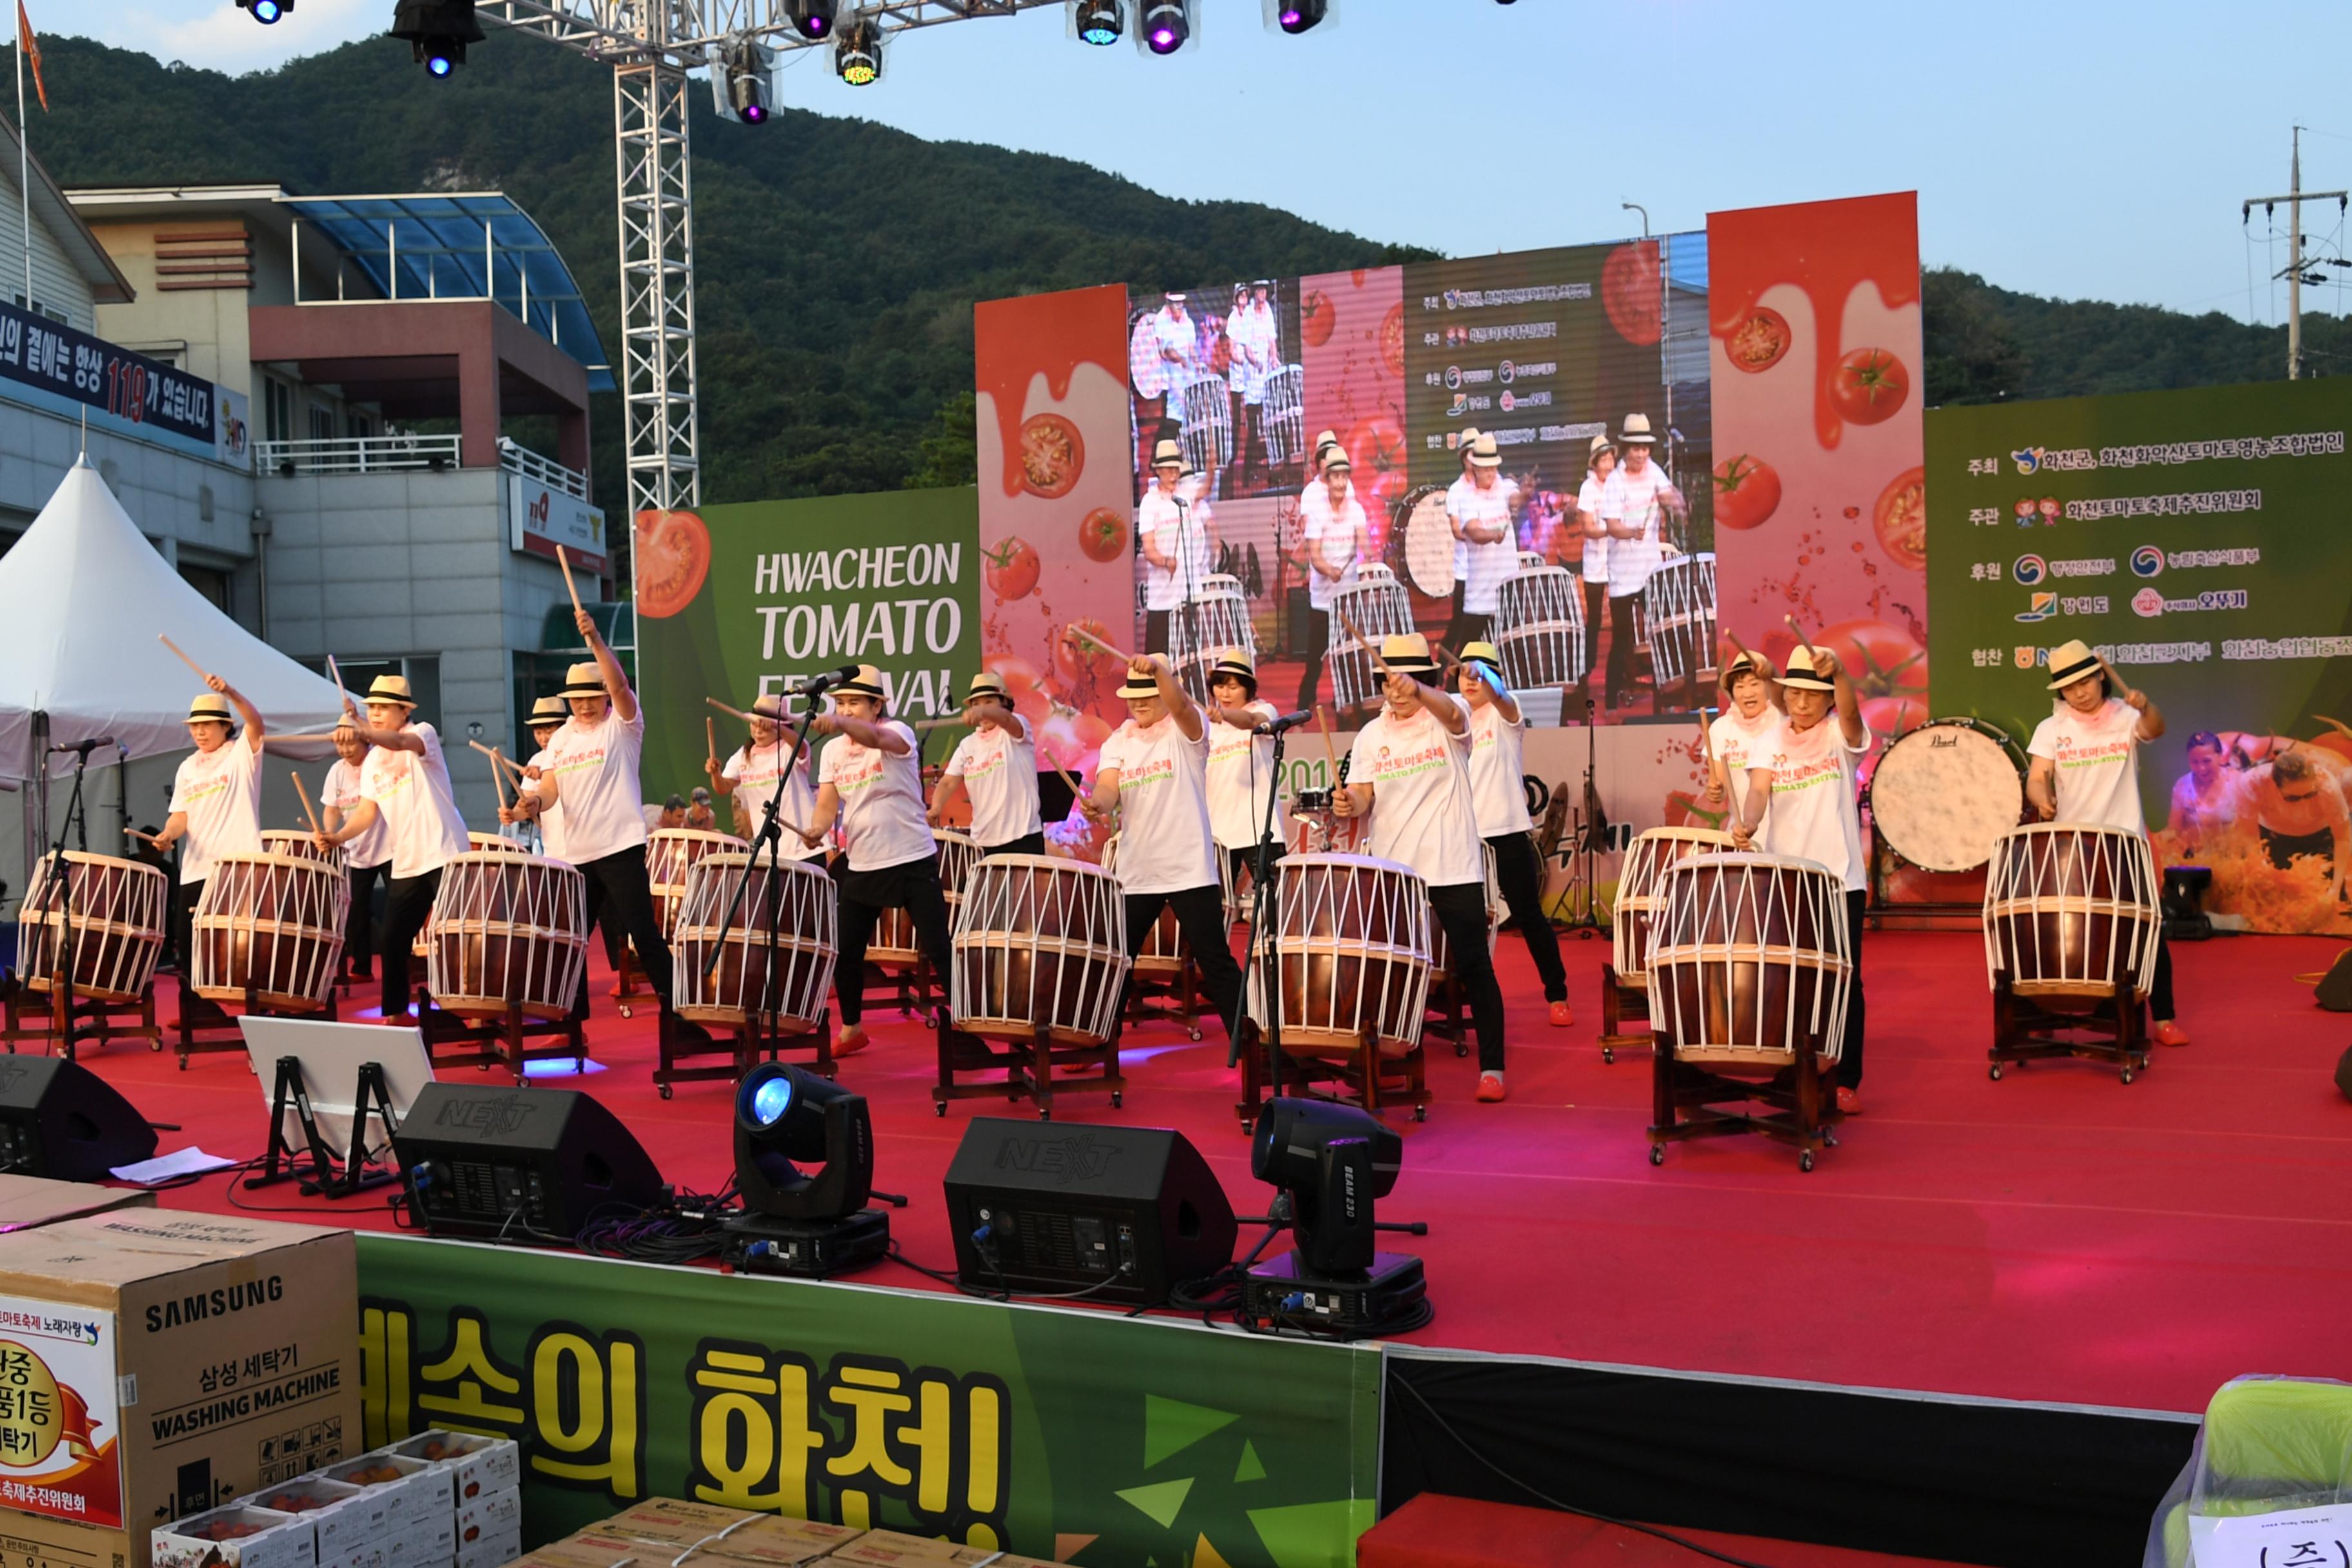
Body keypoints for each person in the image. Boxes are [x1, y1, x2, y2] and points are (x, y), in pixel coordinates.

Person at [1331, 634, 1511, 1101]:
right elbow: (1365, 795)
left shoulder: (1448, 711)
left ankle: (1493, 1066)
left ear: (1424, 679)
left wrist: (1417, 689)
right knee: (1386, 967)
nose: (1393, 691)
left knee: (1473, 962)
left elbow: (1453, 715)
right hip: (1395, 869)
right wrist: (1350, 803)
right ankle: (1381, 1055)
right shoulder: (1372, 734)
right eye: (1387, 681)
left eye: (1402, 680)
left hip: (1452, 862)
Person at [504, 613, 684, 1029]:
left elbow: (620, 685)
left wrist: (596, 640)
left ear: (604, 695)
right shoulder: (562, 736)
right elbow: (549, 790)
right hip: (577, 854)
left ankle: (679, 1015)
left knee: (644, 935)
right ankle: (569, 1026)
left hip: (620, 848)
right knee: (570, 943)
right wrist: (531, 806)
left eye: (591, 696)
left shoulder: (623, 727)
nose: (584, 705)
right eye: (576, 698)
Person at [2022, 639, 2188, 1045]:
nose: (2079, 692)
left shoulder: (2125, 715)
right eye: (2068, 687)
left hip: (2125, 840)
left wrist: (2145, 707)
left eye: (2085, 681)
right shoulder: (2052, 728)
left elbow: (2156, 728)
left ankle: (2163, 1018)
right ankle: (2058, 1010)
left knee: (2148, 930)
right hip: (2072, 847)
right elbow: (2036, 779)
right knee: (2074, 931)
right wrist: (2043, 801)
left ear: (2100, 676)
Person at [1729, 645, 1872, 1112]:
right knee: (1791, 976)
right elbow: (1758, 792)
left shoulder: (1838, 735)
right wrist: (1747, 824)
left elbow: (1851, 711)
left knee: (1846, 979)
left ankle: (1847, 1075)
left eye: (1814, 694)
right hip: (1788, 879)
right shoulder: (1770, 739)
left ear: (1828, 698)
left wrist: (1843, 676)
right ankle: (1796, 1063)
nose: (1802, 703)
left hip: (1839, 879)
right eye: (1795, 693)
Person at [1083, 654, 1249, 1050]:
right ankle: (1101, 1042)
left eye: (1149, 695)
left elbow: (1180, 705)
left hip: (1188, 866)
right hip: (1138, 868)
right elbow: (1109, 787)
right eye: (1133, 697)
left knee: (1216, 961)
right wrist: (1099, 804)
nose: (1139, 704)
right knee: (1119, 960)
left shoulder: (1186, 727)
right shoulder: (1119, 739)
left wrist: (1161, 673)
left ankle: (1249, 1044)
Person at [798, 665, 953, 1057]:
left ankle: (969, 1019)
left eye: (854, 703)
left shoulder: (896, 732)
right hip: (863, 861)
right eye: (841, 703)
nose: (846, 709)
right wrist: (817, 829)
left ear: (876, 705)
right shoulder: (833, 751)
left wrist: (839, 722)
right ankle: (852, 1028)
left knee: (938, 947)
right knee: (846, 951)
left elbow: (875, 736)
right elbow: (827, 806)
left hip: (910, 856)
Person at [314, 674, 469, 1021]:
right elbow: (367, 813)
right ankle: (397, 1012)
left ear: (404, 711)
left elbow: (399, 741)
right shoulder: (371, 763)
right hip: (408, 861)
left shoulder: (422, 733)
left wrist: (363, 733)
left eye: (384, 708)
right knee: (394, 940)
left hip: (445, 852)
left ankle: (473, 1009)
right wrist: (337, 837)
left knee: (459, 935)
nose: (377, 714)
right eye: (372, 708)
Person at [1456, 640, 1571, 1028]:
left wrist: (1485, 674)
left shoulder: (1505, 714)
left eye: (1479, 673)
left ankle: (1557, 993)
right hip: (1463, 835)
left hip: (1505, 829)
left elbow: (1503, 697)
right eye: (1464, 673)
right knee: (1465, 921)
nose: (1470, 680)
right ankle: (1461, 1001)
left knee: (1528, 915)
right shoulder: (1454, 720)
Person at [152, 678, 266, 1016]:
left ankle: (253, 1008)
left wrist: (230, 692)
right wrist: (167, 834)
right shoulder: (187, 767)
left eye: (206, 726)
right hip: (197, 865)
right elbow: (180, 816)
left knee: (240, 940)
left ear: (224, 726)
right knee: (187, 940)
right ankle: (199, 1008)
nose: (199, 733)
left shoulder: (242, 753)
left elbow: (256, 722)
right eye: (194, 727)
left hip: (238, 862)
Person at [1600, 413, 1686, 710]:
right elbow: (1611, 525)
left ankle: (1671, 695)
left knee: (1663, 632)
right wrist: (1631, 532)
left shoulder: (1653, 471)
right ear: (1625, 449)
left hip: (1650, 572)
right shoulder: (1615, 480)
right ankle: (1611, 702)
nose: (1641, 454)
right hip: (1623, 576)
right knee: (1622, 640)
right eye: (1635, 448)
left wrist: (1676, 503)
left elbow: (1665, 494)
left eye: (1645, 449)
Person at [931, 672, 1045, 858]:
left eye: (988, 702)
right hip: (983, 840)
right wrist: (936, 808)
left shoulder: (1016, 729)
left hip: (1023, 836)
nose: (981, 709)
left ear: (1003, 703)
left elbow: (1007, 720)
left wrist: (981, 712)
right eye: (976, 704)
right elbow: (947, 782)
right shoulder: (967, 745)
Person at [1203, 649, 1288, 884]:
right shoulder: (1206, 725)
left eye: (1233, 687)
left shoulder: (1264, 710)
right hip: (1216, 832)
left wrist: (1223, 715)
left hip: (1260, 828)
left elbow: (1251, 722)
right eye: (1220, 686)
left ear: (1248, 688)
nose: (1225, 693)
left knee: (1275, 901)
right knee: (1215, 908)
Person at [1293, 448, 1366, 710]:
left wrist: (1367, 558)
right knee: (1316, 655)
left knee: (1348, 652)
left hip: (1348, 596)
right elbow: (1314, 555)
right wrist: (1328, 570)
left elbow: (1365, 543)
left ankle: (1347, 699)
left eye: (1345, 477)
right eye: (1336, 477)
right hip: (1323, 599)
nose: (1341, 483)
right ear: (1328, 479)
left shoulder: (1357, 510)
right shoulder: (1317, 513)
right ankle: (1306, 700)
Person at [709, 694, 820, 859]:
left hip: (803, 846)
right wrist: (715, 773)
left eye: (764, 726)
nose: (758, 730)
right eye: (754, 725)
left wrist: (776, 727)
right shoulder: (744, 755)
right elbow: (723, 788)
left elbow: (802, 747)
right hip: (768, 850)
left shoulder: (788, 749)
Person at [320, 725, 391, 984]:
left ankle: (401, 964)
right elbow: (331, 809)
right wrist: (330, 833)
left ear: (365, 741)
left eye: (351, 743)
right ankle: (361, 967)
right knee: (356, 910)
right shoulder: (337, 771)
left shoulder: (377, 763)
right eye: (341, 744)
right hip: (355, 850)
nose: (345, 749)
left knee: (395, 911)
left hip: (389, 847)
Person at [2237, 748, 2350, 901]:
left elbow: (2343, 838)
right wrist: (2260, 866)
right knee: (2278, 896)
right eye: (2293, 798)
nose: (2303, 803)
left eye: (2310, 795)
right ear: (2275, 785)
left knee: (2334, 899)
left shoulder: (2327, 786)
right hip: (2274, 835)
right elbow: (2248, 834)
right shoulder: (2253, 783)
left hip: (2320, 834)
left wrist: (2335, 890)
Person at [1139, 438, 1216, 656]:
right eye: (1169, 470)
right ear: (1159, 471)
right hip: (1162, 594)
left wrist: (1210, 467)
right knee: (1157, 656)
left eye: (1176, 470)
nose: (1173, 475)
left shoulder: (1186, 494)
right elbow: (1149, 549)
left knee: (1189, 655)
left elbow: (1206, 488)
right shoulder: (1150, 502)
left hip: (1188, 593)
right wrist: (1165, 561)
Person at [1447, 433, 1518, 650]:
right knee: (1468, 646)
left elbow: (1516, 498)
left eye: (1493, 467)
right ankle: (1449, 680)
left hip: (1506, 586)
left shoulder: (1505, 486)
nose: (1490, 472)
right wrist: (1493, 534)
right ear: (1472, 465)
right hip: (1478, 587)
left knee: (1509, 648)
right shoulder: (1464, 495)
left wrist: (1524, 494)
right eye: (1485, 467)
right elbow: (1472, 531)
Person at [1705, 651, 1782, 828]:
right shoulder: (1722, 728)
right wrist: (1716, 790)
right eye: (1740, 687)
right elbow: (1718, 781)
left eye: (1754, 684)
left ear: (1768, 687)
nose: (1748, 693)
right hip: (1741, 831)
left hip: (1785, 836)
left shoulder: (1784, 721)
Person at [1226, 281, 1278, 487]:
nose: (1262, 294)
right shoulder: (1247, 314)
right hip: (1251, 377)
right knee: (1253, 427)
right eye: (1259, 291)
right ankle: (1247, 473)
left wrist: (1273, 358)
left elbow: (1272, 340)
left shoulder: (1269, 311)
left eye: (1265, 291)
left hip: (1266, 375)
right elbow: (1245, 347)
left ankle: (1270, 468)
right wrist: (1254, 361)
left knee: (1270, 422)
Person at [1574, 436, 1616, 690]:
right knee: (1595, 622)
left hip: (1620, 563)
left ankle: (1628, 673)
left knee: (1626, 620)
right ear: (1595, 463)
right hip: (1595, 565)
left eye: (1612, 458)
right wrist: (1614, 529)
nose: (1610, 464)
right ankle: (1586, 671)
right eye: (1605, 459)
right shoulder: (1588, 489)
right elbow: (1589, 528)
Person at [2165, 730, 2242, 857]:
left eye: (2207, 761)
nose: (2201, 768)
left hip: (2233, 861)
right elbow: (2174, 830)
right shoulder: (2183, 786)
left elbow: (2251, 831)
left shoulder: (2237, 782)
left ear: (2220, 756)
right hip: (2196, 861)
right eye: (2194, 762)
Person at [519, 696, 569, 860]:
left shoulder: (577, 751)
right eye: (538, 732)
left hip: (584, 845)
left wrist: (543, 774)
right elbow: (526, 802)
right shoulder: (536, 760)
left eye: (549, 732)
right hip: (552, 848)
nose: (543, 738)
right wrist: (512, 814)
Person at [1445, 427, 1481, 640]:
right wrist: (1481, 533)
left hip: (1486, 572)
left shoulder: (1488, 487)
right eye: (1470, 453)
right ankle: (1443, 671)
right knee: (1459, 624)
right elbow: (1457, 529)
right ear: (1463, 457)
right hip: (1466, 571)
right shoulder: (1456, 491)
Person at [1153, 292, 1201, 429]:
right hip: (1170, 377)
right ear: (1169, 304)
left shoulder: (1189, 323)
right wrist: (1182, 360)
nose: (1179, 306)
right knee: (1170, 415)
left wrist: (1197, 364)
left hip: (1185, 377)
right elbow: (1166, 351)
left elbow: (1191, 348)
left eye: (1181, 303)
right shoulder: (1163, 321)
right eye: (1176, 303)